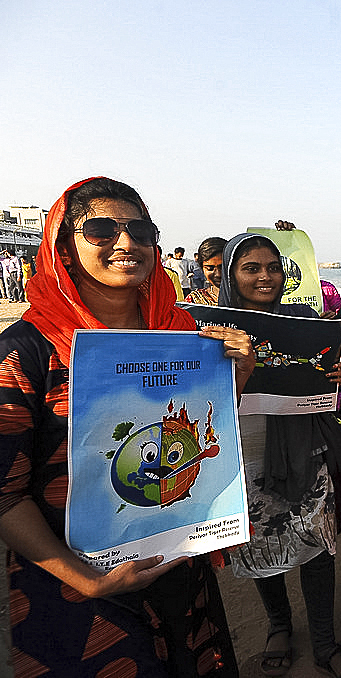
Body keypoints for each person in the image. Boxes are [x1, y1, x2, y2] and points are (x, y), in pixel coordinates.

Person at [0, 177, 254, 676]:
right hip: (77, 590)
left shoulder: (183, 336)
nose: (126, 243)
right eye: (100, 229)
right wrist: (88, 581)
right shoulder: (26, 351)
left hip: (178, 566)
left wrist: (234, 382)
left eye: (140, 230)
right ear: (64, 248)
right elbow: (6, 493)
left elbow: (198, 441)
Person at [219, 232, 341, 677]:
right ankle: (278, 626)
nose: (266, 277)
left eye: (273, 267)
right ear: (231, 275)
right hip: (244, 457)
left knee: (318, 549)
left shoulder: (305, 321)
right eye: (251, 268)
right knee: (262, 549)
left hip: (306, 452)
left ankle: (325, 642)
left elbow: (326, 374)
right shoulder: (211, 331)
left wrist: (340, 369)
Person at [185, 236, 226, 305]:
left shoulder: (246, 299)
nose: (218, 274)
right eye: (210, 268)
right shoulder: (194, 300)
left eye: (222, 267)